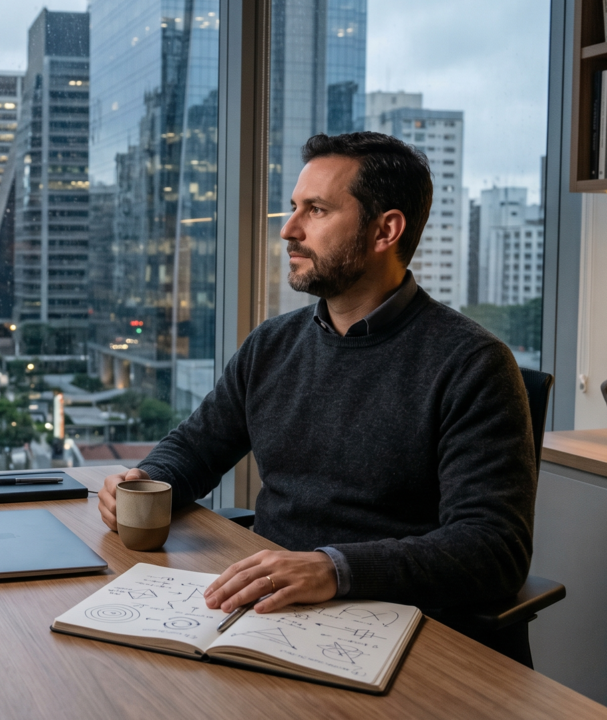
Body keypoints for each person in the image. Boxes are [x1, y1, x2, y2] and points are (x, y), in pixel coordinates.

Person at [97, 132, 537, 663]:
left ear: (385, 230)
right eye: (292, 209)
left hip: (392, 630)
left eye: (317, 210)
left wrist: (332, 567)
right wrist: (144, 479)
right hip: (265, 611)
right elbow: (194, 447)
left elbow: (493, 548)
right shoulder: (273, 343)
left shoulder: (472, 363)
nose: (289, 230)